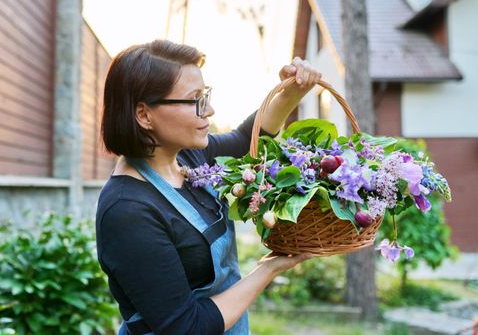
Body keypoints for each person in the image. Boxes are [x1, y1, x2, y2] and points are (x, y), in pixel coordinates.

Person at [96, 39, 322, 335]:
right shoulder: (127, 212)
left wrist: (292, 92)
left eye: (206, 96)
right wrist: (268, 268)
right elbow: (187, 327)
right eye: (195, 100)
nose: (210, 110)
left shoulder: (189, 157)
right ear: (144, 115)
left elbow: (246, 141)